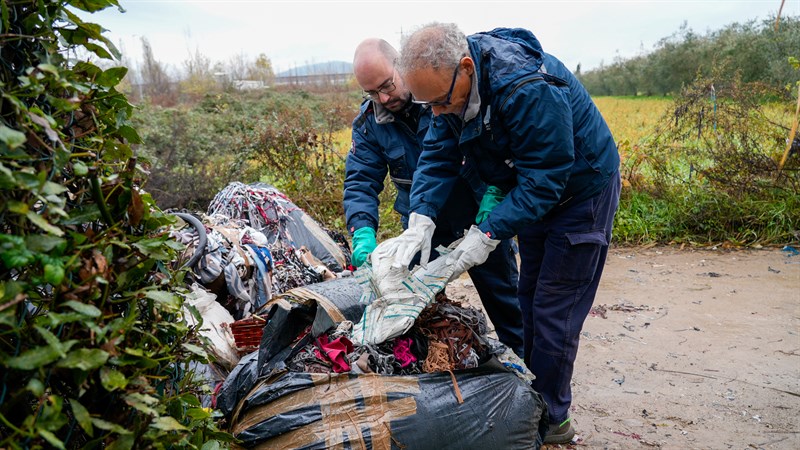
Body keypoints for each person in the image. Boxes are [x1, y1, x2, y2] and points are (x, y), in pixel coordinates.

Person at [379, 23, 622, 444]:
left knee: (553, 310)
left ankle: (552, 420)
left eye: (440, 101)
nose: (435, 112)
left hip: (580, 193)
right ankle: (534, 395)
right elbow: (438, 152)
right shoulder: (448, 90)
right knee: (527, 296)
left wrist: (488, 232)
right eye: (427, 103)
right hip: (530, 191)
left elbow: (546, 177)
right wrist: (420, 218)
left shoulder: (524, 88)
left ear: (467, 68)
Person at [343, 38, 524, 357]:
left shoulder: (442, 96)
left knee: (507, 306)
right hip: (422, 227)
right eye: (372, 92)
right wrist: (362, 232)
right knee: (413, 306)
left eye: (387, 85)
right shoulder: (370, 124)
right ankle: (433, 367)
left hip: (477, 219)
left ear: (401, 65)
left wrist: (496, 195)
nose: (383, 98)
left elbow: (490, 149)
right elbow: (360, 180)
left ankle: (526, 378)